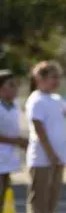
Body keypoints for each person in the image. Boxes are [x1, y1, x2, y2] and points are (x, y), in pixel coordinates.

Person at [25, 61, 66, 213]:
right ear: (39, 78)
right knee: (39, 195)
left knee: (52, 196)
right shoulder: (36, 99)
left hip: (58, 157)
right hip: (41, 158)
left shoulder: (56, 99)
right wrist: (50, 153)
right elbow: (38, 128)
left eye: (58, 77)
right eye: (52, 77)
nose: (56, 81)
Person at [0, 70, 28, 202]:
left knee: (4, 197)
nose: (15, 88)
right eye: (11, 85)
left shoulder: (15, 105)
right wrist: (16, 141)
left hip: (7, 159)